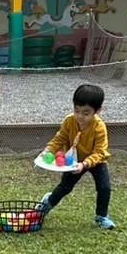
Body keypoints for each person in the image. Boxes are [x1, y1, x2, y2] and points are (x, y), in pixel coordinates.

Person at [38, 82, 116, 229]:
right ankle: (46, 204)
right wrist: (48, 151)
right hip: (73, 161)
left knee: (104, 187)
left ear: (97, 111)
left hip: (96, 161)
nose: (80, 116)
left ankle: (101, 216)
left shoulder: (99, 127)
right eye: (76, 110)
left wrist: (85, 164)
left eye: (86, 113)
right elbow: (60, 139)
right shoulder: (69, 121)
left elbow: (100, 152)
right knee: (65, 187)